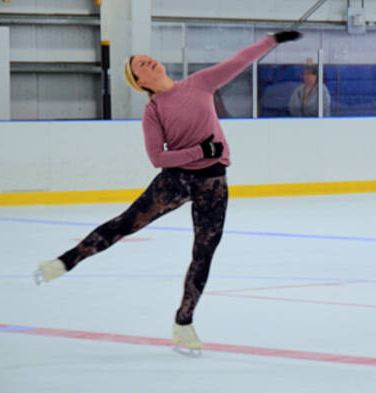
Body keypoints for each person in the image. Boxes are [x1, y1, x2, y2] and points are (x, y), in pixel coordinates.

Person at [34, 30, 302, 352]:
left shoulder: (200, 83)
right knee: (123, 224)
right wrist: (199, 151)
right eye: (140, 65)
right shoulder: (154, 111)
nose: (148, 61)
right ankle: (62, 263)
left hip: (213, 183)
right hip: (176, 180)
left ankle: (183, 322)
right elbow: (157, 158)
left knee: (204, 253)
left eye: (146, 58)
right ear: (140, 82)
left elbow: (239, 61)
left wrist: (272, 41)